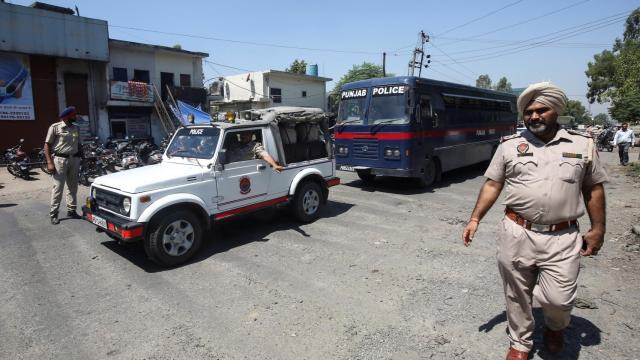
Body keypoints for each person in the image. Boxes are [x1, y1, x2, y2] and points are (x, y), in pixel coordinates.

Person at [461, 82, 608, 359]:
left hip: (563, 237)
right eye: (528, 112)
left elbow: (593, 189)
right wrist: (475, 219)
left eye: (542, 110)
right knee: (516, 292)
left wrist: (598, 228)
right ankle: (520, 342)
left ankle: (555, 327)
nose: (534, 116)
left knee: (558, 299)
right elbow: (493, 184)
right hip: (516, 231)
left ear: (556, 111)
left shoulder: (582, 144)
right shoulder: (510, 145)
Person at [44, 106, 83, 225]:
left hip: (74, 159)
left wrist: (83, 158)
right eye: (73, 115)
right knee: (58, 188)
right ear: (67, 116)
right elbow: (47, 146)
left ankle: (71, 210)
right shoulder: (55, 127)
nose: (75, 117)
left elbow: (79, 144)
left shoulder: (76, 128)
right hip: (60, 160)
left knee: (73, 186)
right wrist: (49, 162)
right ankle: (54, 213)